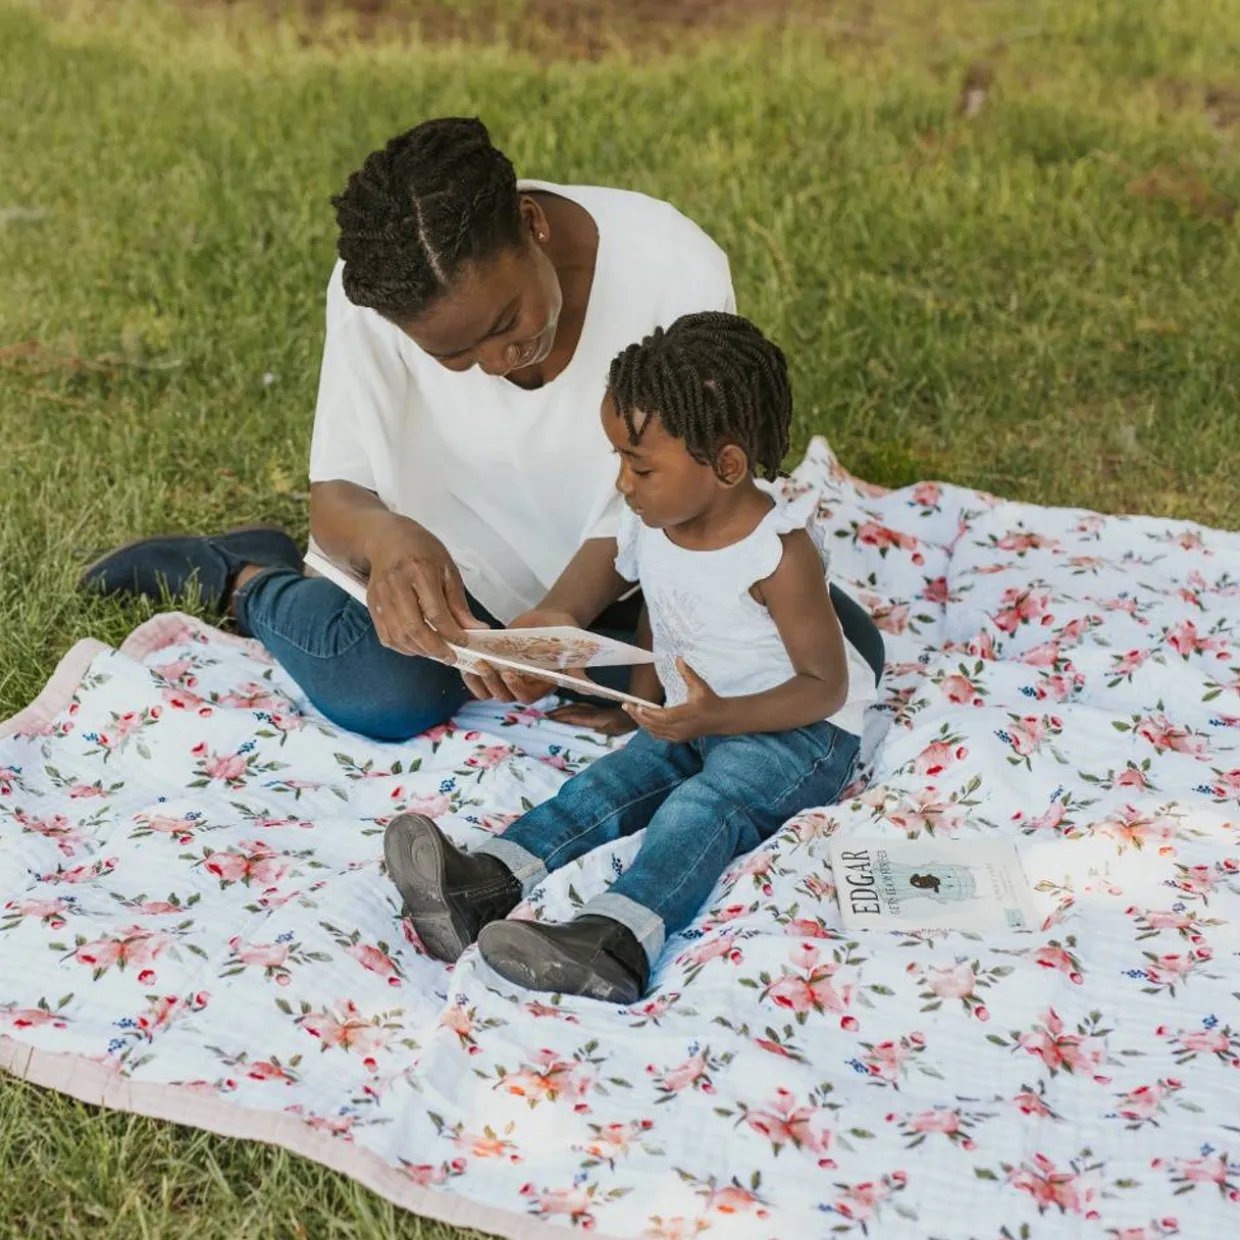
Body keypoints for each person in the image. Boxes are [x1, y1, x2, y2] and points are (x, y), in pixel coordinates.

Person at [79, 116, 742, 738]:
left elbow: (691, 491)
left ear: (531, 223)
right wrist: (388, 538)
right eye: (455, 356)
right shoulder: (378, 294)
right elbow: (337, 495)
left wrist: (570, 618)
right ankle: (243, 577)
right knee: (383, 692)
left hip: (635, 569)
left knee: (742, 663)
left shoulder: (674, 272)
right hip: (457, 580)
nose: (498, 362)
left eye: (506, 321)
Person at [383, 312, 882, 1004]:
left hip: (798, 734)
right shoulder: (656, 523)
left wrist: (718, 717)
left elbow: (825, 686)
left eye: (640, 466)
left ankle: (616, 940)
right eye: (619, 459)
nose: (623, 482)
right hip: (696, 717)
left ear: (727, 466)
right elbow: (664, 610)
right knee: (608, 785)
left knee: (701, 808)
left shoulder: (777, 554)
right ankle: (484, 884)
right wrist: (641, 700)